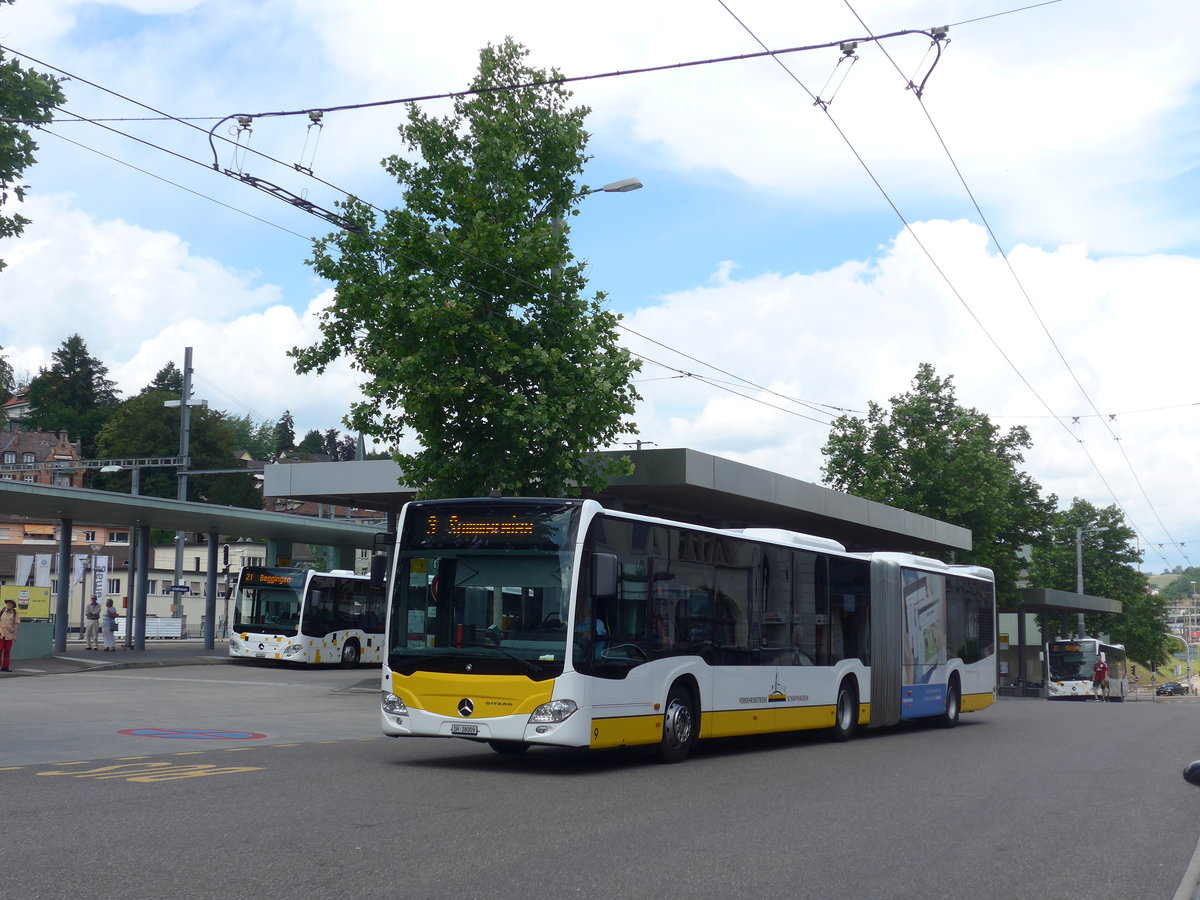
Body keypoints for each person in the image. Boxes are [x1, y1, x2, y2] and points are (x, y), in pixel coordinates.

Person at [0, 598, 20, 672]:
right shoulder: (1, 610)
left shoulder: (15, 613)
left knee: (7, 651)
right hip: (1, 633)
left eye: (10, 603)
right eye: (7, 603)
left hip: (9, 635)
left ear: (13, 605)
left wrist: (15, 635)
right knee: (0, 649)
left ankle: (5, 667)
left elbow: (16, 624)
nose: (8, 604)